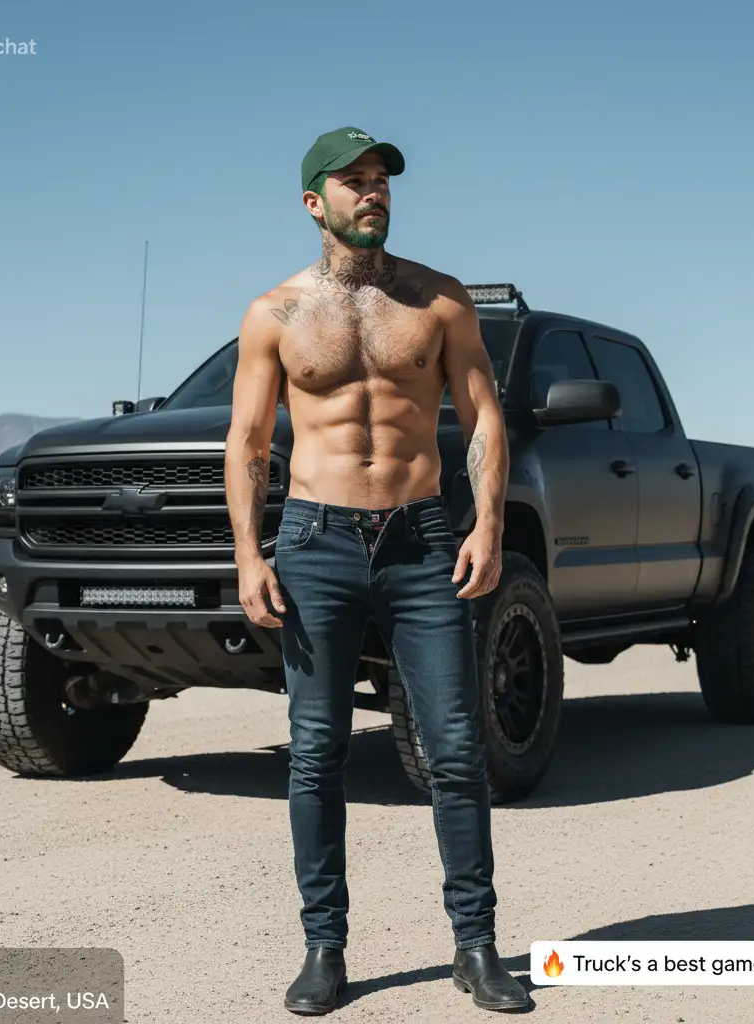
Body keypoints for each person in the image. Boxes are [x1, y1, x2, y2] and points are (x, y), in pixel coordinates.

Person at [225, 126, 530, 1015]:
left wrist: (489, 528)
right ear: (314, 202)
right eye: (352, 181)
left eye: (381, 180)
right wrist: (250, 553)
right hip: (314, 544)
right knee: (316, 754)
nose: (373, 193)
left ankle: (476, 949)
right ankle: (325, 949)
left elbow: (482, 419)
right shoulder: (273, 315)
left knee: (457, 749)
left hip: (422, 539)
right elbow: (247, 441)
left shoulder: (438, 302)